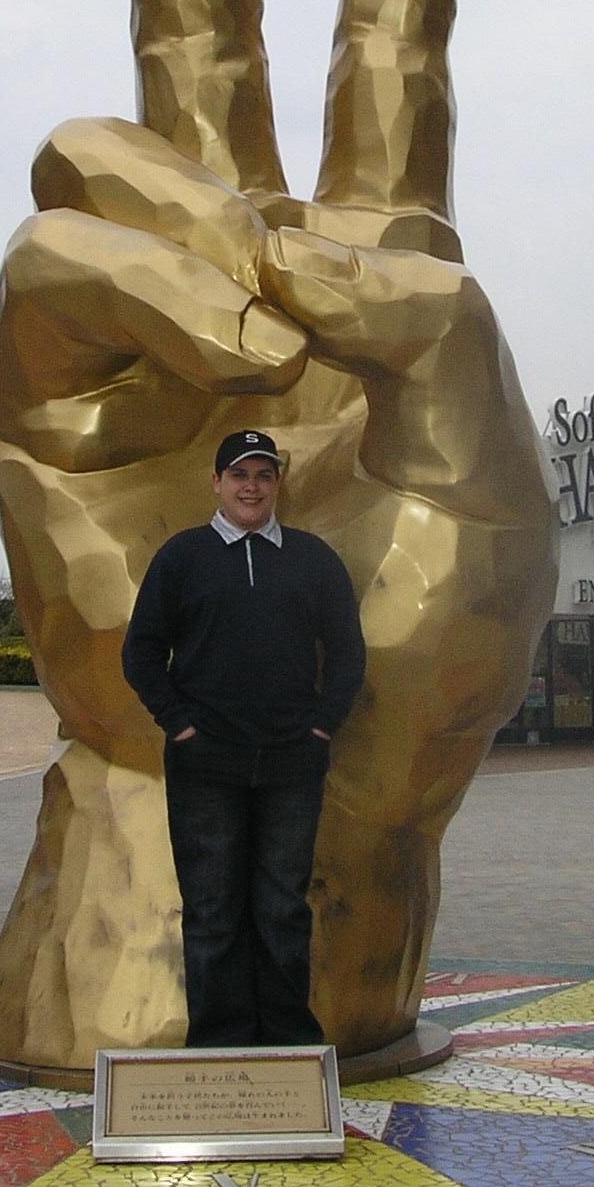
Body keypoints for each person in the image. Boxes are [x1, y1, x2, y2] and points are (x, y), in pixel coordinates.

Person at [122, 428, 366, 1047]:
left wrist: (320, 726)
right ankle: (219, 1046)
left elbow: (346, 653)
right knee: (212, 912)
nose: (251, 487)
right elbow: (142, 653)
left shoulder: (314, 559)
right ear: (217, 483)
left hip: (291, 764)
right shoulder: (182, 558)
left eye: (263, 475)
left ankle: (288, 1049)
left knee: (283, 908)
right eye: (239, 475)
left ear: (278, 484)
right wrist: (180, 725)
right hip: (206, 765)